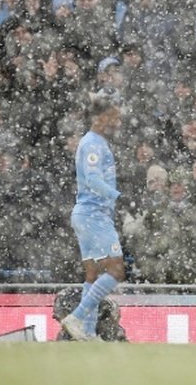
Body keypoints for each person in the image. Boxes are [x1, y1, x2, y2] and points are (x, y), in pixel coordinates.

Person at [60, 88, 126, 341]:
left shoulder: (93, 142)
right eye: (113, 117)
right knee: (116, 271)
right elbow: (93, 178)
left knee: (93, 275)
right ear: (101, 117)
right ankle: (77, 317)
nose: (116, 123)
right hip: (94, 214)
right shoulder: (93, 144)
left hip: (86, 214)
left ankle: (86, 332)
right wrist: (117, 196)